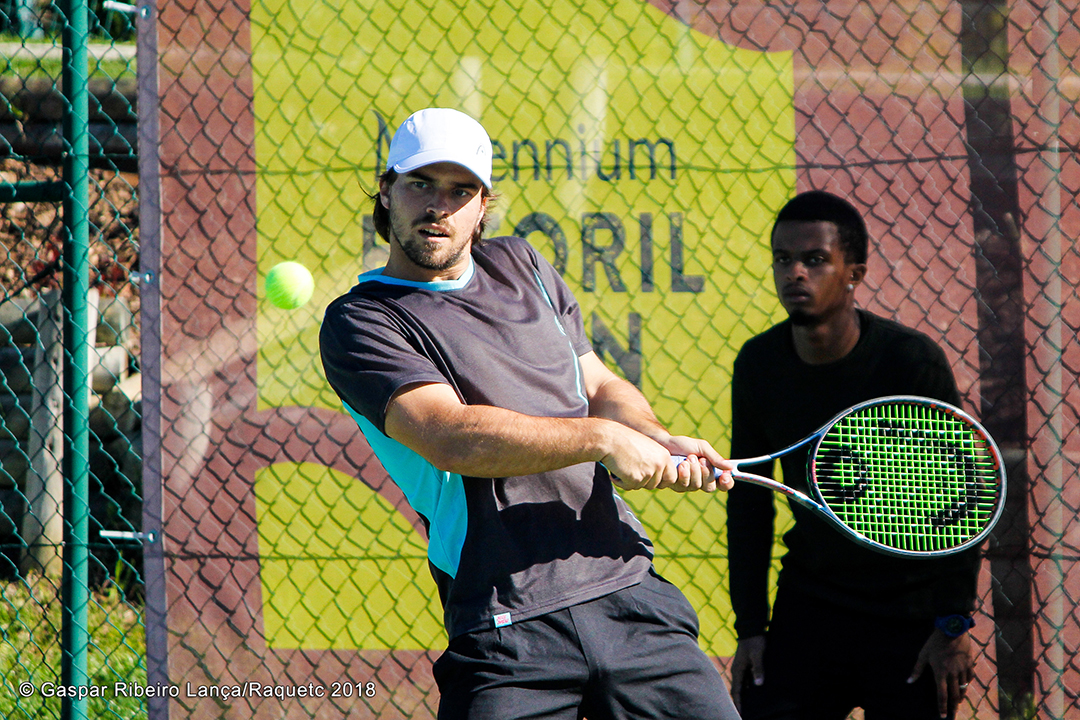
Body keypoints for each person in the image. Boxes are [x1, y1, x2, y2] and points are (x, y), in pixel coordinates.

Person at [320, 107, 742, 720]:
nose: (439, 206)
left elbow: (598, 382)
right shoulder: (361, 321)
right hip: (504, 624)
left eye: (460, 190)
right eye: (420, 184)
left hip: (629, 591)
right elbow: (449, 437)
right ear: (386, 191)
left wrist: (651, 436)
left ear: (483, 205)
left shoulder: (524, 265)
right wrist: (603, 440)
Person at [725, 190, 982, 720]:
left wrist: (951, 625)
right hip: (810, 605)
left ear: (854, 272)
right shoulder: (759, 363)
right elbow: (749, 503)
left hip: (908, 616)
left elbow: (964, 503)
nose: (794, 272)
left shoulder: (911, 363)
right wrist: (750, 629)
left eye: (815, 259)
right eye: (782, 258)